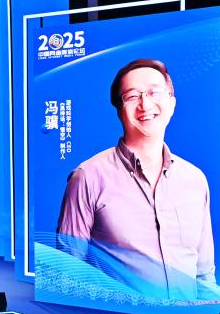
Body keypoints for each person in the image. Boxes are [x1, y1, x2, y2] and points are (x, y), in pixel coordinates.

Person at [57, 58, 217, 301]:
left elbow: (203, 276)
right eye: (132, 96)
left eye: (155, 92)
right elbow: (68, 274)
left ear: (172, 103)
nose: (145, 104)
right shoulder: (88, 177)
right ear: (119, 109)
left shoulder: (194, 180)